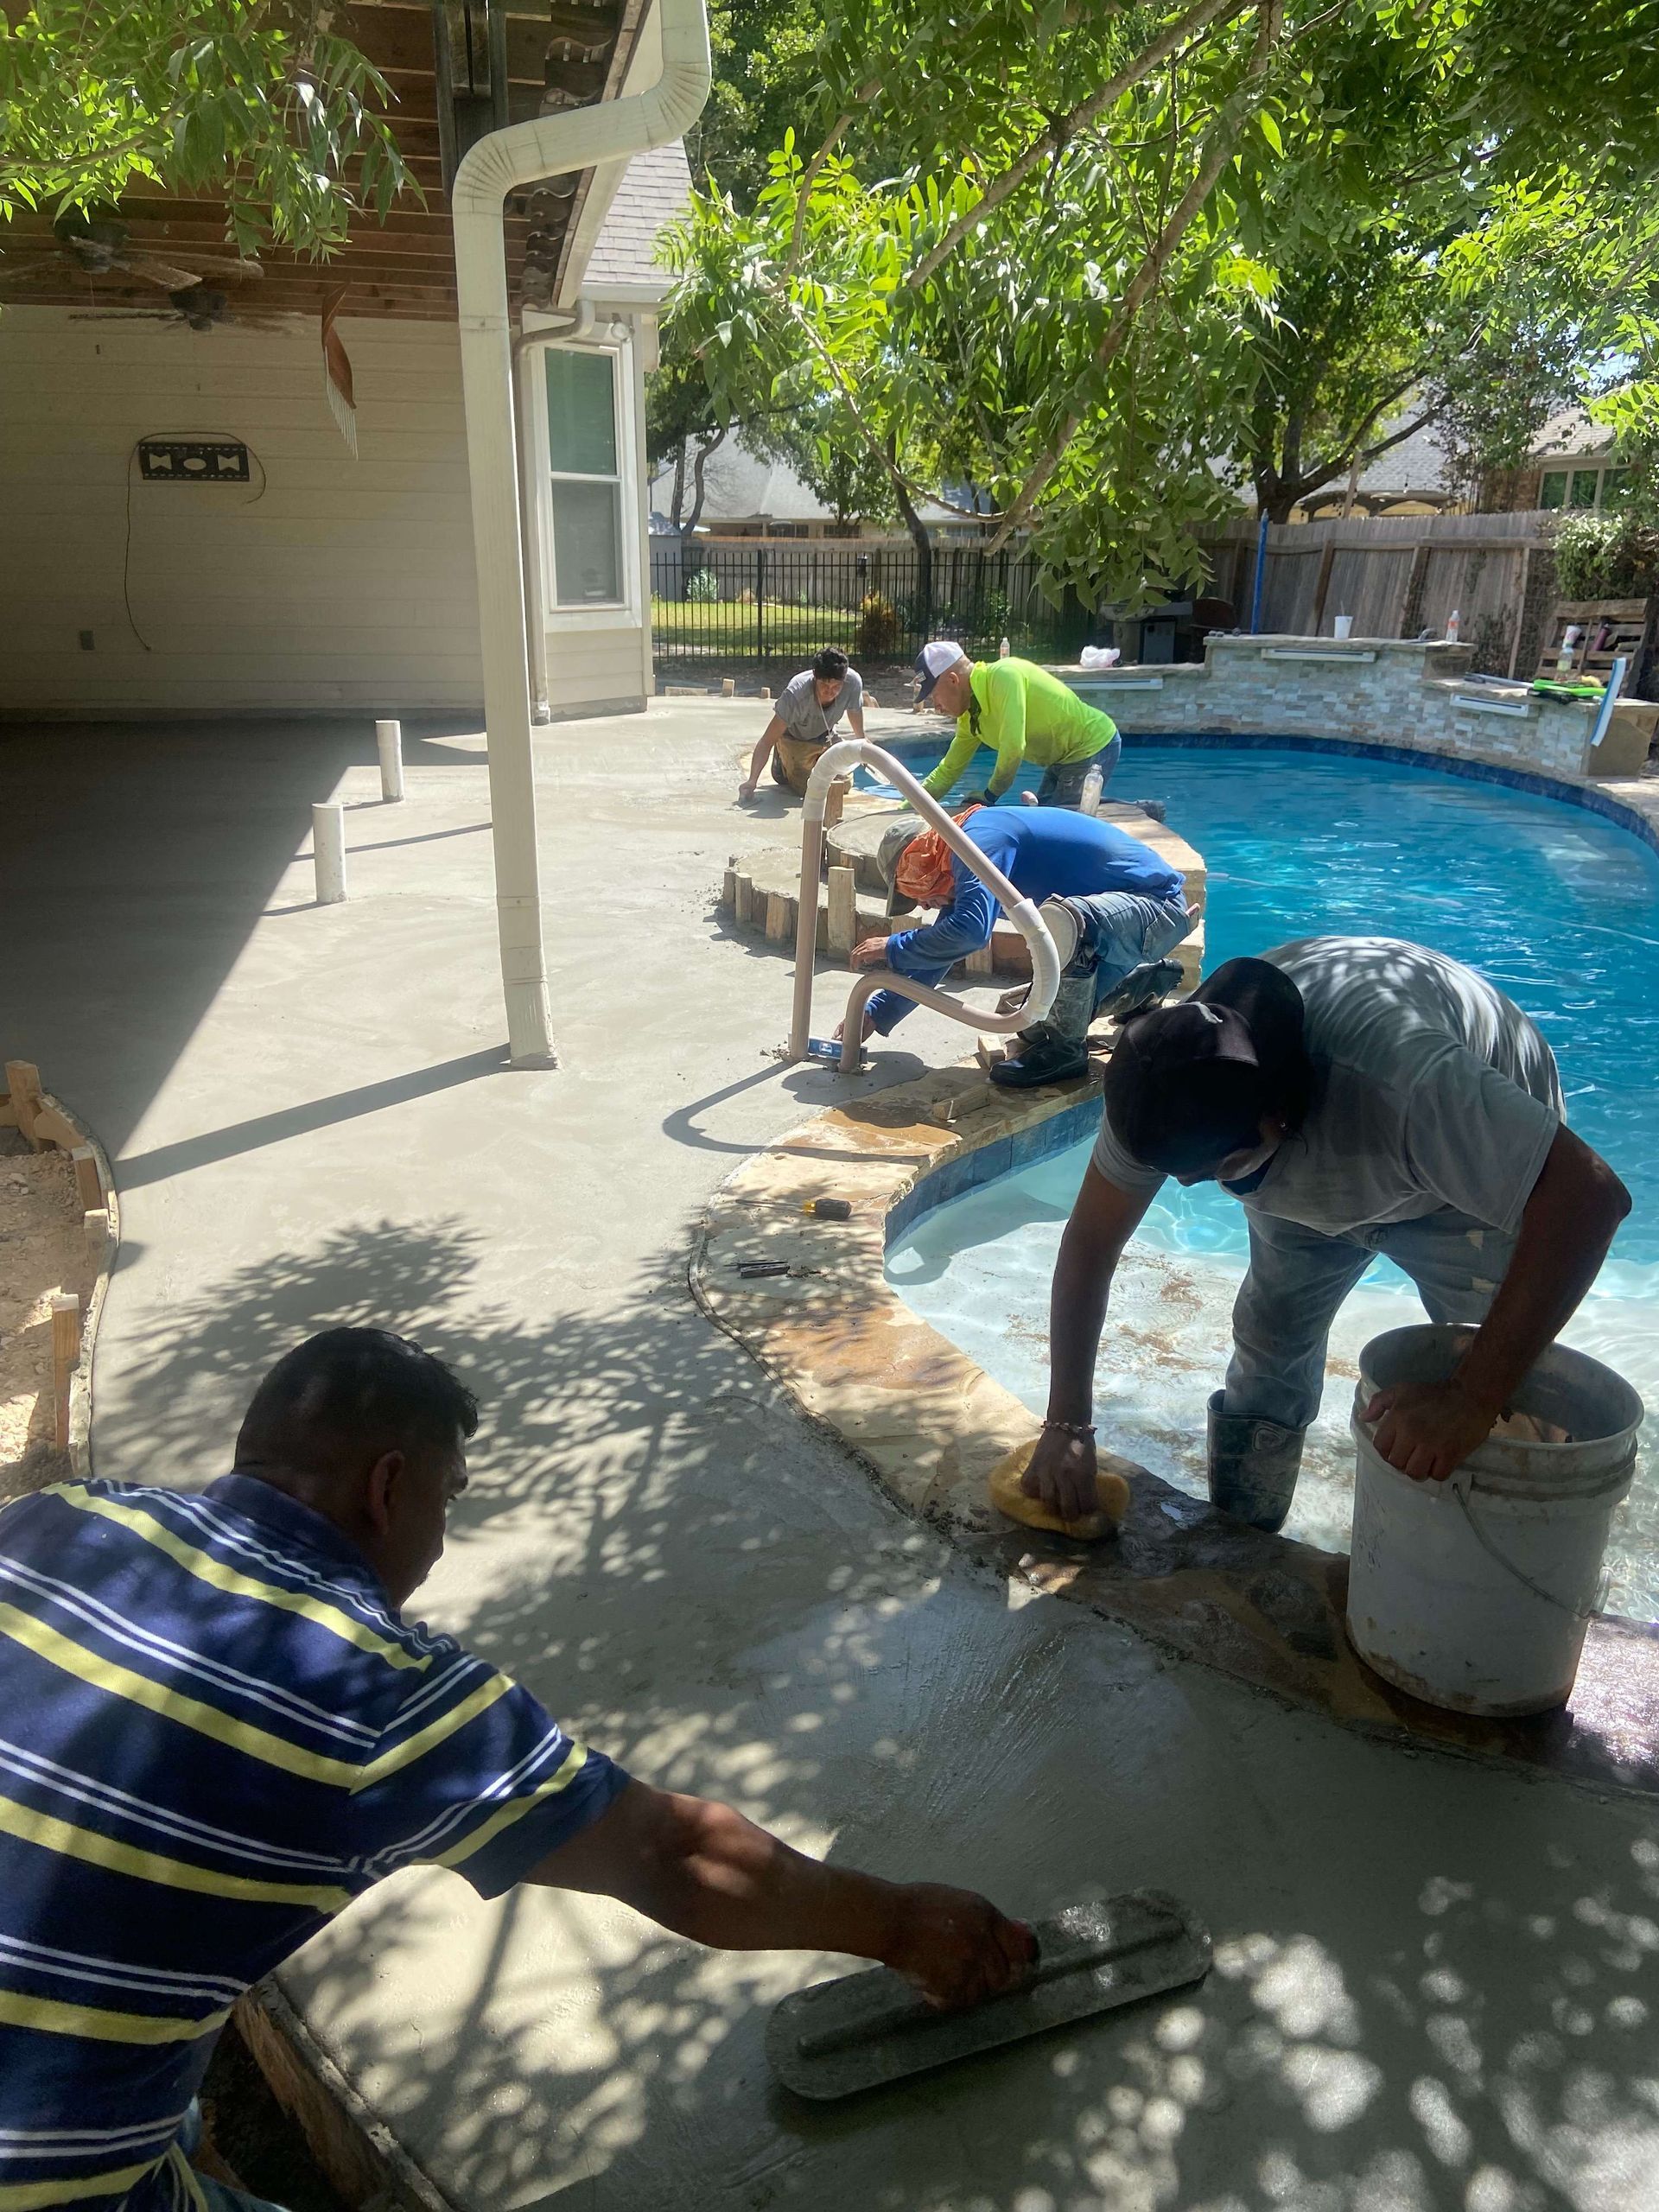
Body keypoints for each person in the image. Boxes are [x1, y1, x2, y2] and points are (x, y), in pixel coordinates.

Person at [0, 1329, 1033, 2212]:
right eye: (447, 1500)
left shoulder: (55, 1518)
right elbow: (674, 1855)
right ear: (389, 1485)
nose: (439, 1545)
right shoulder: (377, 1689)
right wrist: (903, 1925)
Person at [1021, 938, 1630, 1530]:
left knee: (1502, 1392)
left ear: (1280, 1119)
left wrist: (1470, 1397)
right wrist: (1067, 1426)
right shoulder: (1167, 1079)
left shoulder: (1406, 1085)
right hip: (1315, 1151)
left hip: (1464, 1187)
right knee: (1271, 1332)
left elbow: (1590, 1196)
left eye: (1215, 1172)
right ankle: (1244, 1533)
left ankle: (1491, 1555)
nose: (1185, 1185)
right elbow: (1091, 1246)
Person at [848, 804, 1192, 1086]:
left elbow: (970, 932)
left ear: (921, 857)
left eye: (914, 890)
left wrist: (893, 945)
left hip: (1155, 907)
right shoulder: (961, 849)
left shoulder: (979, 842)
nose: (921, 905)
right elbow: (944, 949)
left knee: (1065, 922)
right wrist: (878, 1011)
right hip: (1126, 923)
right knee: (1034, 1025)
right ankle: (1147, 983)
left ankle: (1066, 1053)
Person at [913, 641, 1119, 807]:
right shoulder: (971, 717)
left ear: (952, 680)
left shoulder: (1004, 675)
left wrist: (989, 796)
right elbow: (948, 771)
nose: (937, 706)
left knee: (1064, 822)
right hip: (1063, 757)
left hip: (1092, 744)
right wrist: (906, 805)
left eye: (934, 696)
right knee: (1047, 817)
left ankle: (1142, 810)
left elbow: (1013, 748)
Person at [739, 646, 866, 800]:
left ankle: (817, 758)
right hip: (795, 738)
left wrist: (862, 742)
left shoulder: (853, 683)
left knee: (842, 785)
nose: (830, 692)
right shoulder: (795, 696)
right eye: (824, 685)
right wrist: (752, 781)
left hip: (826, 735)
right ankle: (782, 763)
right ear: (814, 676)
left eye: (836, 687)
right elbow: (766, 741)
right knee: (809, 788)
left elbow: (854, 711)